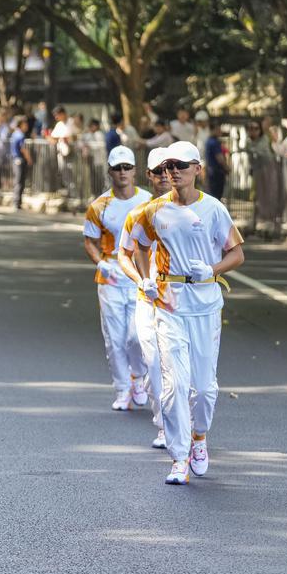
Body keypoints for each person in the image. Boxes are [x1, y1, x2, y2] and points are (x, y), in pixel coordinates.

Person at [120, 140, 245, 485]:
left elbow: (238, 253)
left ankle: (200, 437)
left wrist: (213, 270)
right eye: (168, 166)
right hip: (169, 305)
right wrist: (146, 278)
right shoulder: (154, 210)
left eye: (181, 165)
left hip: (204, 305)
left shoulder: (214, 209)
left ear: (197, 170)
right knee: (174, 383)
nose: (173, 171)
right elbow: (139, 247)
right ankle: (178, 457)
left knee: (204, 389)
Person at [83, 145, 152, 410]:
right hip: (111, 276)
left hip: (138, 274)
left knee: (137, 335)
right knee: (114, 337)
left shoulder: (147, 202)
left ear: (135, 171)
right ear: (110, 172)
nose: (123, 173)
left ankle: (138, 376)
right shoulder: (99, 206)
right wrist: (101, 263)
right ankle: (122, 388)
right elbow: (89, 241)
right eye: (117, 168)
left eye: (127, 167)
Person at [118, 147, 173, 449]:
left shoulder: (201, 211)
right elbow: (124, 256)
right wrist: (142, 279)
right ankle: (164, 425)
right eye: (160, 171)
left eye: (172, 167)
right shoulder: (139, 214)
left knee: (181, 372)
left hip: (183, 303)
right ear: (150, 176)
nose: (167, 175)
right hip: (149, 299)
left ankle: (189, 429)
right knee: (153, 365)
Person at [10, 115, 32, 210]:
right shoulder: (20, 135)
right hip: (19, 160)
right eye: (25, 124)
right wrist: (29, 159)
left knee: (17, 181)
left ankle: (17, 202)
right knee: (20, 182)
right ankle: (17, 203)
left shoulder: (14, 134)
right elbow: (23, 149)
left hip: (15, 160)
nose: (26, 125)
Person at [204, 120, 229, 200]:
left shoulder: (208, 141)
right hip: (217, 172)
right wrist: (227, 168)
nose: (220, 131)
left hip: (211, 172)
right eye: (218, 129)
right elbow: (220, 158)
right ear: (213, 130)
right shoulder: (214, 142)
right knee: (216, 195)